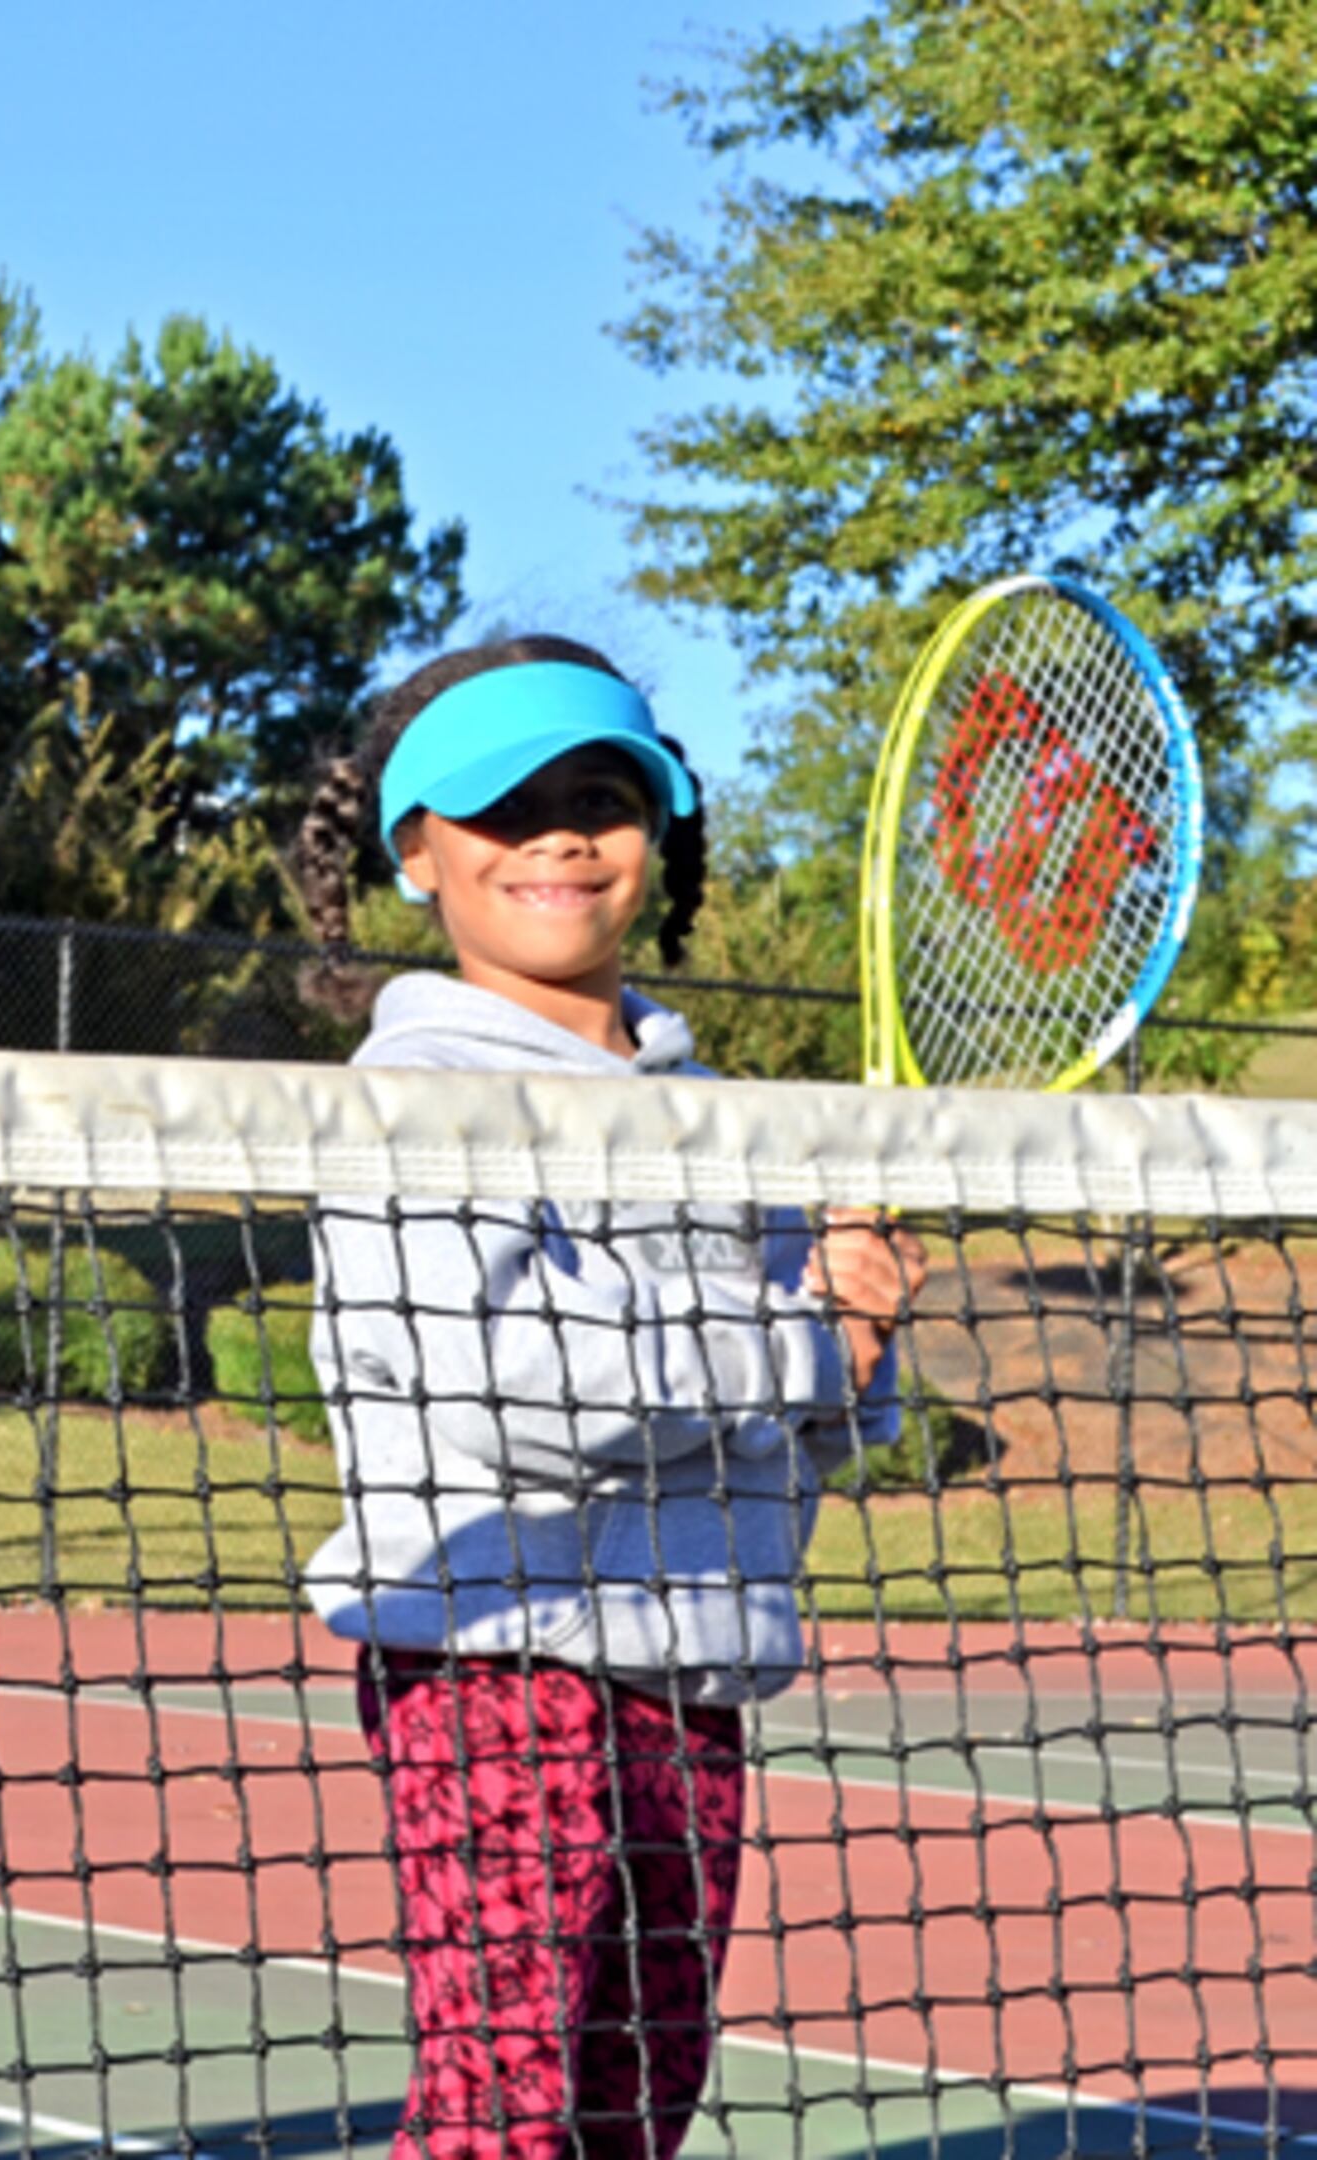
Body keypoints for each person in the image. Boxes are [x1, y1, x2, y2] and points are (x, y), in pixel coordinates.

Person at [287, 636, 929, 2159]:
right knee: (502, 2111)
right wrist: (801, 1351)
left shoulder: (724, 1117)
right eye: (509, 807)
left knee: (638, 2105)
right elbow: (523, 1382)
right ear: (417, 852)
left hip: (694, 1682)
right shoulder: (412, 1098)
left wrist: (864, 1334)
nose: (562, 835)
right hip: (500, 1674)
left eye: (603, 796)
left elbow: (827, 1417)